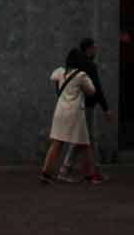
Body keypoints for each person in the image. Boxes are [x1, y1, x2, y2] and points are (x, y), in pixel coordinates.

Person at [40, 46, 102, 183]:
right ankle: (91, 176)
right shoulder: (81, 75)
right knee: (85, 145)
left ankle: (45, 174)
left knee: (56, 143)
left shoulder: (60, 72)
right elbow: (92, 91)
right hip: (75, 114)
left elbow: (55, 82)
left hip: (60, 112)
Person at [56, 37, 109, 181]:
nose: (95, 50)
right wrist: (106, 108)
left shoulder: (74, 66)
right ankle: (87, 171)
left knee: (83, 139)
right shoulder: (89, 66)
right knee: (87, 139)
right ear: (89, 49)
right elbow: (96, 89)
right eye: (94, 48)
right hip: (87, 107)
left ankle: (75, 170)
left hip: (77, 106)